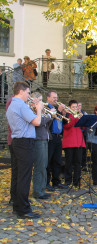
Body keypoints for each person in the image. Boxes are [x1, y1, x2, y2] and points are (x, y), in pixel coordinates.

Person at [6, 81, 43, 218]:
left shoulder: (12, 104)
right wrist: (38, 109)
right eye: (28, 92)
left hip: (17, 141)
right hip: (24, 143)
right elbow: (37, 122)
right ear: (21, 91)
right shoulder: (21, 105)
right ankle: (24, 209)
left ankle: (18, 206)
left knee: (19, 175)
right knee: (24, 177)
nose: (29, 95)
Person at [30, 92, 53, 199]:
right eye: (39, 100)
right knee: (39, 166)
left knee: (44, 166)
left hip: (45, 138)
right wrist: (48, 115)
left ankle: (42, 189)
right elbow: (38, 123)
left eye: (41, 100)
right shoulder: (32, 110)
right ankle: (37, 191)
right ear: (33, 100)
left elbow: (46, 125)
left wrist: (49, 116)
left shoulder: (40, 111)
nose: (42, 102)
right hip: (38, 139)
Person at [46, 91, 68, 190]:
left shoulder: (56, 108)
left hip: (58, 137)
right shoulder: (46, 107)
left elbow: (61, 122)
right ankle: (46, 182)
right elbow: (49, 120)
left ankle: (56, 181)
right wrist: (59, 111)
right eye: (54, 97)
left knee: (57, 160)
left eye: (56, 97)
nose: (56, 99)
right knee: (48, 161)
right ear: (48, 98)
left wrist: (63, 114)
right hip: (50, 137)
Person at [62, 100, 86, 186]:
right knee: (69, 162)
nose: (75, 109)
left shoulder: (79, 115)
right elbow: (67, 126)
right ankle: (68, 181)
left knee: (78, 163)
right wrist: (74, 117)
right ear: (69, 108)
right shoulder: (67, 115)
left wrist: (83, 120)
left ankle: (76, 181)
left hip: (79, 142)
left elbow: (83, 128)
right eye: (73, 107)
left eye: (76, 107)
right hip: (69, 142)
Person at [78, 102, 88, 169]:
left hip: (83, 133)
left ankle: (83, 164)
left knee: (84, 149)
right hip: (78, 133)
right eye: (78, 105)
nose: (79, 107)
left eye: (80, 105)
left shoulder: (84, 113)